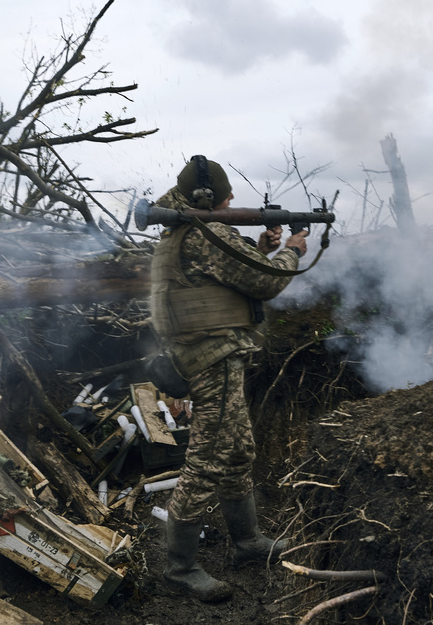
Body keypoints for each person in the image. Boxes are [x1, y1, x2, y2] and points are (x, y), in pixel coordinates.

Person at [148, 155, 308, 602]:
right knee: (208, 460)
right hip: (212, 358)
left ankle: (248, 542)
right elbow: (265, 282)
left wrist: (260, 248)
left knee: (238, 450)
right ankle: (180, 568)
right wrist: (292, 249)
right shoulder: (207, 232)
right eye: (225, 193)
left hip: (207, 354)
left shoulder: (184, 231)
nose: (233, 197)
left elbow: (224, 276)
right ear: (206, 197)